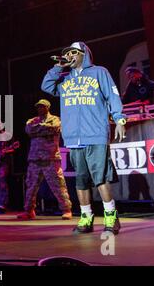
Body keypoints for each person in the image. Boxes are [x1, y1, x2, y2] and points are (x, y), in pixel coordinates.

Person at [42, 42, 126, 234]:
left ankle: (111, 218)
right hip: (73, 137)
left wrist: (120, 118)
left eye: (73, 53)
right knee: (80, 180)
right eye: (67, 53)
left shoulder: (99, 72)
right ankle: (86, 219)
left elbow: (112, 96)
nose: (69, 56)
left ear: (83, 55)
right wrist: (58, 67)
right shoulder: (64, 78)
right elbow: (46, 85)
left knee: (101, 179)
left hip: (95, 134)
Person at [17, 99, 72, 220]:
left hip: (50, 158)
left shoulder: (55, 119)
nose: (40, 109)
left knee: (58, 185)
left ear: (48, 107)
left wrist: (39, 129)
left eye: (42, 107)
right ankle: (29, 210)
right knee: (31, 186)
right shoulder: (32, 121)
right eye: (38, 107)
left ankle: (66, 209)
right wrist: (43, 128)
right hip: (35, 158)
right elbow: (29, 130)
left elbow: (54, 128)